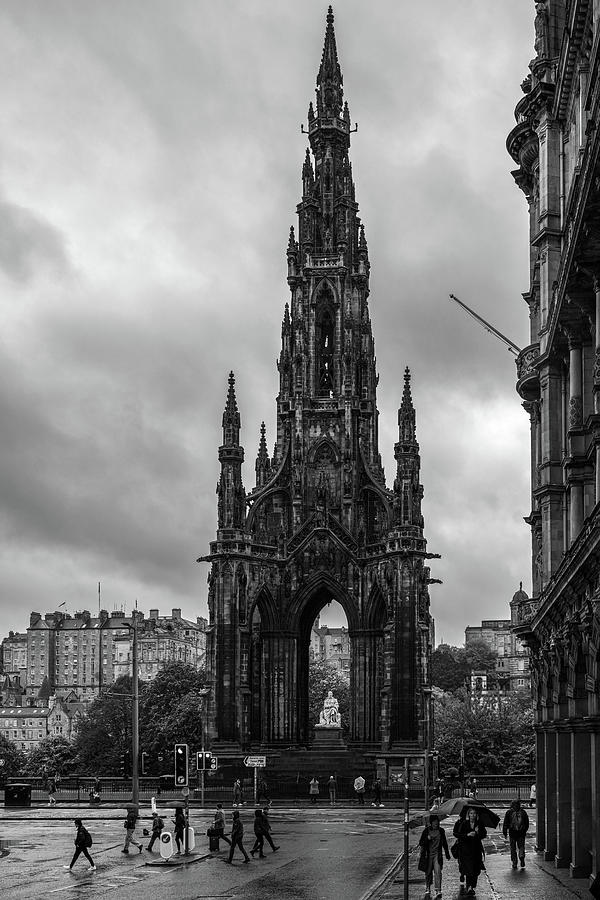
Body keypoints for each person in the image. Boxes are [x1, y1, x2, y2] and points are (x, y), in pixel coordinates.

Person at [418, 813, 450, 900]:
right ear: (431, 823)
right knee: (428, 872)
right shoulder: (426, 831)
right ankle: (428, 887)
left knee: (438, 871)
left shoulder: (441, 831)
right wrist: (427, 839)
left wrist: (447, 854)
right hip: (428, 855)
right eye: (434, 822)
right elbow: (421, 843)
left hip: (437, 855)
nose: (436, 824)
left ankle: (438, 890)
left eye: (437, 822)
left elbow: (444, 843)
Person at [455, 807, 487, 895]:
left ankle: (472, 886)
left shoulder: (479, 823)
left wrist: (477, 832)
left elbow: (484, 834)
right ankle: (469, 887)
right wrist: (467, 834)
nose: (473, 815)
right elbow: (458, 835)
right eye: (471, 813)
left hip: (476, 850)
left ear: (476, 815)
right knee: (469, 869)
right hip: (466, 851)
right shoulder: (464, 823)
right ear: (468, 814)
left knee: (475, 869)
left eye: (474, 813)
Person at [502, 798, 529, 869]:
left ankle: (515, 861)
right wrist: (524, 830)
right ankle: (520, 857)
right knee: (521, 847)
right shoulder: (523, 812)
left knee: (513, 848)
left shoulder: (509, 812)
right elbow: (526, 823)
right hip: (519, 833)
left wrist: (505, 831)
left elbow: (505, 823)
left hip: (514, 833)